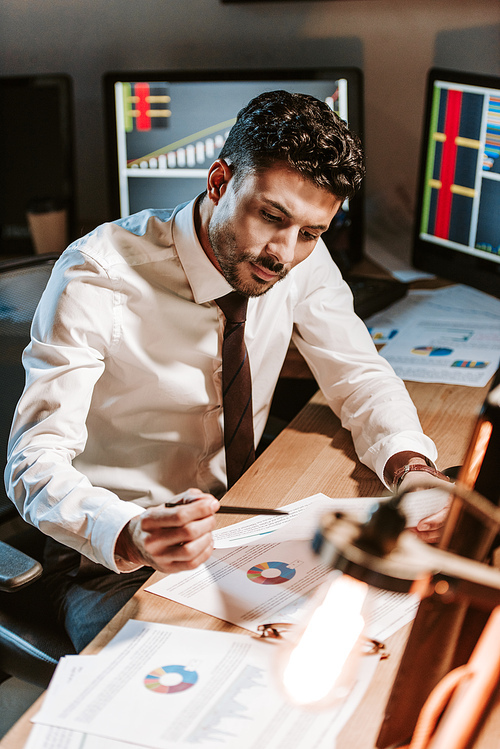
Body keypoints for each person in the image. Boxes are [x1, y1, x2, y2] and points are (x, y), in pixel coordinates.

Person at [5, 90, 449, 651]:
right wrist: (130, 534)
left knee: (372, 643)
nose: (283, 254)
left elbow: (358, 375)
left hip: (241, 523)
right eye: (271, 216)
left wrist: (412, 470)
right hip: (113, 554)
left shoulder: (299, 257)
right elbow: (32, 464)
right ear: (219, 182)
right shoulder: (99, 275)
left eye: (311, 233)